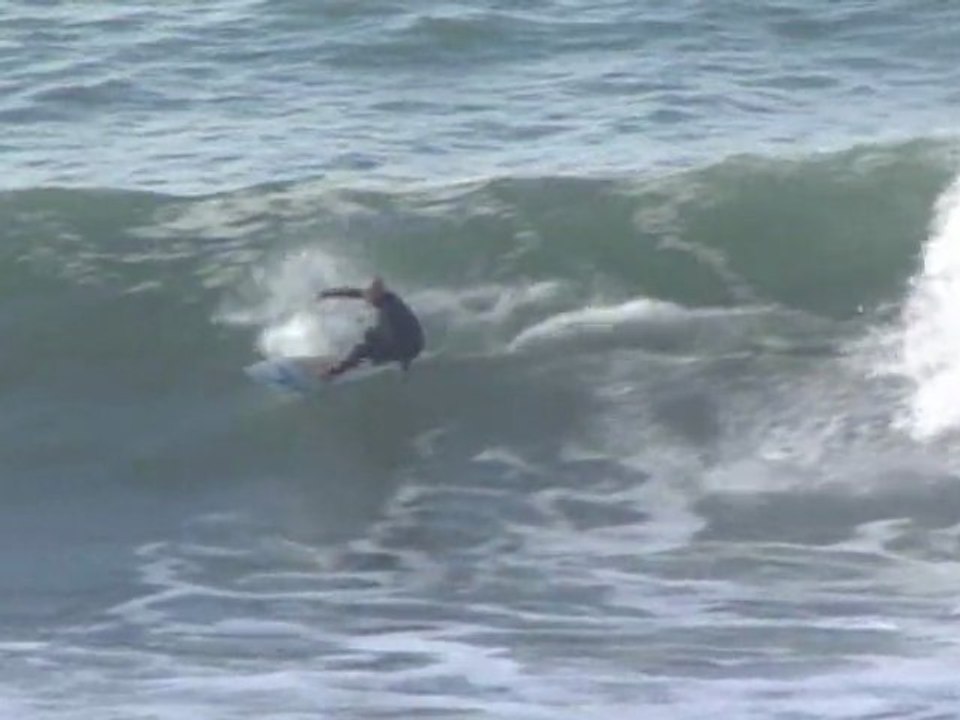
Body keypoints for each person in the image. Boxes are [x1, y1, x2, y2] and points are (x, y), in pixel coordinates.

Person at [314, 277, 425, 379]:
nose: (367, 299)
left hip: (408, 348)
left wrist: (374, 341)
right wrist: (328, 294)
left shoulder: (389, 310)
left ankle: (333, 372)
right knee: (370, 336)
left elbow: (392, 336)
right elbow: (355, 293)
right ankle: (351, 362)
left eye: (369, 295)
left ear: (376, 295)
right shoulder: (387, 298)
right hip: (415, 343)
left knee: (363, 347)